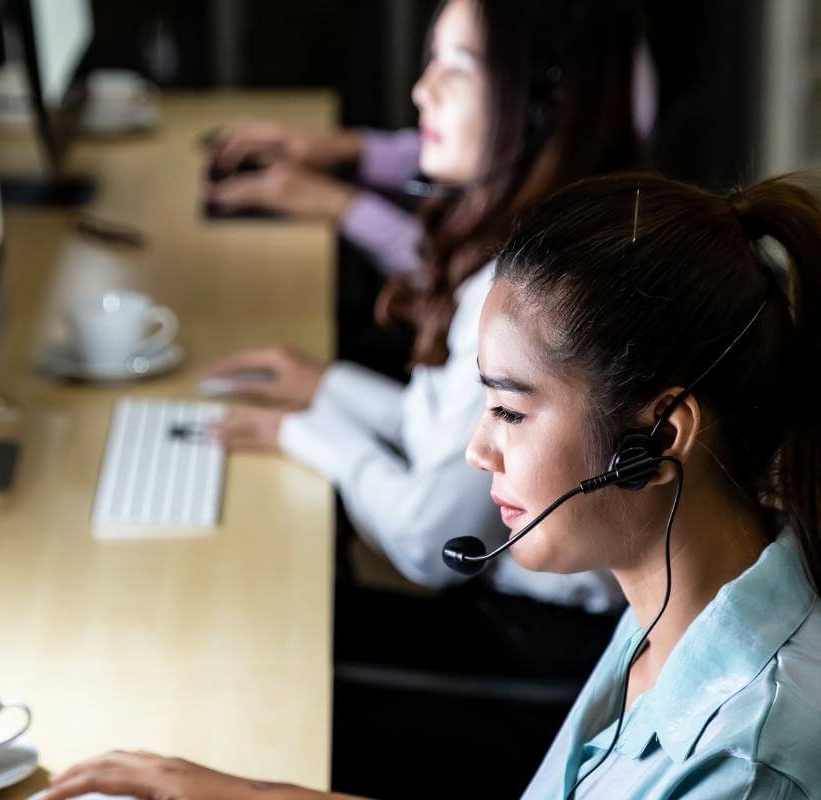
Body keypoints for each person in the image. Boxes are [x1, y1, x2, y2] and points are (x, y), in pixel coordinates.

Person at [40, 170, 821, 800]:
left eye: (510, 412)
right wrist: (239, 792)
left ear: (661, 435)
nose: (478, 451)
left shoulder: (746, 764)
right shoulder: (679, 601)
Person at [208, 0, 644, 611]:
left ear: (540, 108)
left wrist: (306, 434)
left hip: (528, 633)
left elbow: (434, 541)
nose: (422, 91)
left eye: (457, 69)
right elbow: (449, 445)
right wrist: (329, 388)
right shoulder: (545, 241)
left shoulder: (530, 297)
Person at [205, 36, 657, 278]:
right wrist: (347, 150)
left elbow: (455, 269)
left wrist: (339, 204)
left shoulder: (536, 273)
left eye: (458, 68)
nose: (421, 90)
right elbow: (471, 145)